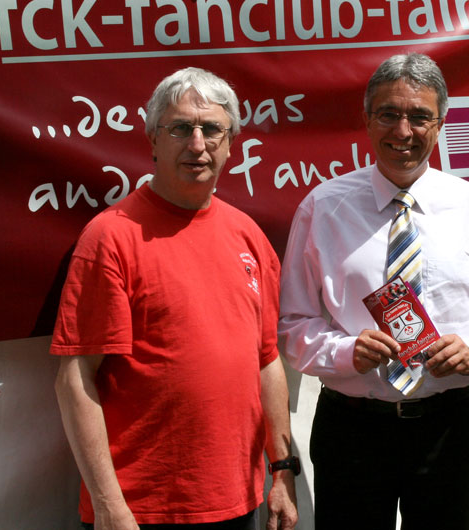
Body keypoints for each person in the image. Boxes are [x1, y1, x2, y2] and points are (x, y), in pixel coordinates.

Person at [278, 52, 469, 529]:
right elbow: (292, 324)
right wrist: (343, 351)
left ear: (441, 123)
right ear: (368, 119)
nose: (403, 131)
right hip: (352, 428)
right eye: (389, 114)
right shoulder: (321, 208)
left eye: (419, 116)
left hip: (450, 426)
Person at [51, 67, 299, 530]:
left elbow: (266, 362)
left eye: (212, 130)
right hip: (142, 510)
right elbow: (76, 378)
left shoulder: (248, 235)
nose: (197, 144)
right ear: (152, 140)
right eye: (181, 128)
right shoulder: (110, 238)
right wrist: (109, 504)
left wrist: (281, 471)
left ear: (231, 144)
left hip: (239, 502)